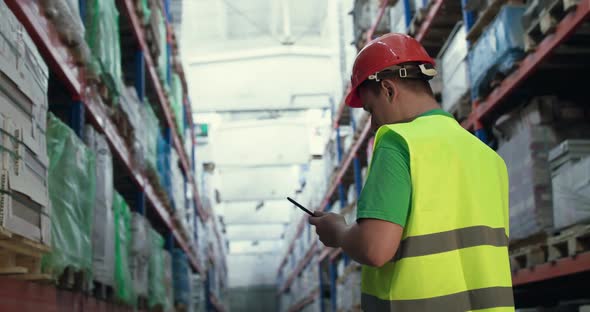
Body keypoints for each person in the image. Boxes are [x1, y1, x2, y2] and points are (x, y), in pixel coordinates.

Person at [308, 33, 514, 311]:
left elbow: (374, 248)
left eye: (371, 109)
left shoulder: (398, 142)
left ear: (388, 90)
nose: (373, 125)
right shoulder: (488, 157)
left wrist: (340, 233)